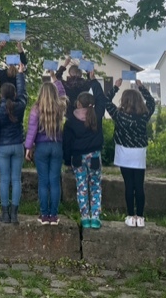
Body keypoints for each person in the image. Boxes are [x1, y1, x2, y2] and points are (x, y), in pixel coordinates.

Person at [105, 79, 156, 228]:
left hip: (123, 152)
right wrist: (142, 87)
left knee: (129, 185)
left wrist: (115, 87)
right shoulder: (144, 115)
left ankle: (129, 215)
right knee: (139, 185)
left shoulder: (119, 115)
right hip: (139, 153)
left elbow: (106, 101)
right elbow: (152, 102)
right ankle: (140, 217)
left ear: (124, 101)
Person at [63, 70, 105, 229]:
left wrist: (67, 160)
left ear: (78, 104)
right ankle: (96, 218)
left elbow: (66, 143)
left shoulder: (71, 120)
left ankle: (85, 218)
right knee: (95, 185)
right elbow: (101, 98)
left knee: (81, 187)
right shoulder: (97, 114)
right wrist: (93, 79)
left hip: (77, 157)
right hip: (94, 155)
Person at [0, 62, 28, 224]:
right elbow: (23, 92)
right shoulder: (21, 106)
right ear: (15, 95)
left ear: (1, 95)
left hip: (3, 147)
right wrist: (20, 74)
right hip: (18, 145)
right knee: (16, 179)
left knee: (4, 179)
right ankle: (15, 214)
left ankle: (5, 214)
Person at [25, 71, 67, 225]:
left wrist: (28, 148)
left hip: (41, 147)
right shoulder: (60, 106)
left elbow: (32, 130)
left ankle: (44, 215)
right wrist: (55, 78)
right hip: (57, 146)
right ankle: (54, 216)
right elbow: (62, 92)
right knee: (55, 181)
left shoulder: (36, 108)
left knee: (43, 181)